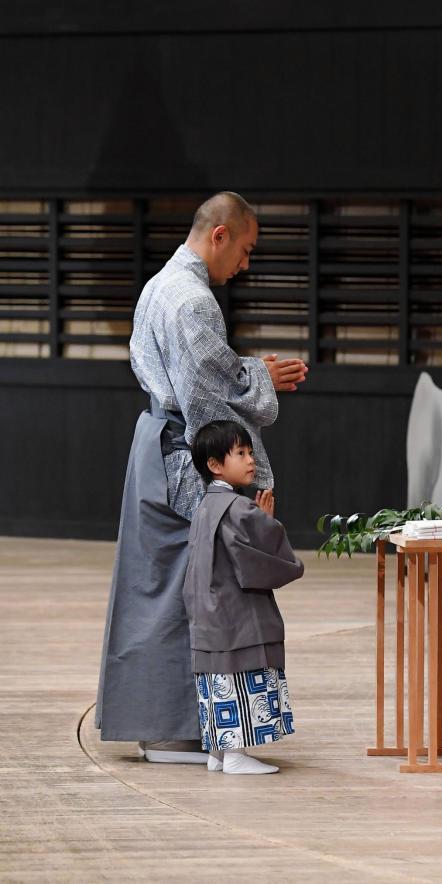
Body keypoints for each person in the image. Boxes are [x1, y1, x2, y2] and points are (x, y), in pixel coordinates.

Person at [96, 192, 308, 764]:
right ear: (220, 235)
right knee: (203, 591)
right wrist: (240, 484)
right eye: (245, 249)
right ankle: (180, 730)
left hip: (158, 447)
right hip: (187, 456)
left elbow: (207, 376)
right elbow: (205, 398)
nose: (245, 264)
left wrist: (250, 373)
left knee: (163, 586)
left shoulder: (159, 285)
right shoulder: (191, 300)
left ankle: (165, 725)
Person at [184, 420, 304, 774]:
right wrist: (268, 523)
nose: (251, 460)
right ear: (215, 464)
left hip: (208, 612)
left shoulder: (205, 507)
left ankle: (218, 753)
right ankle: (235, 756)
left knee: (218, 684)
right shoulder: (237, 508)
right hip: (235, 613)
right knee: (239, 679)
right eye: (240, 453)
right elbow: (261, 562)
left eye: (250, 452)